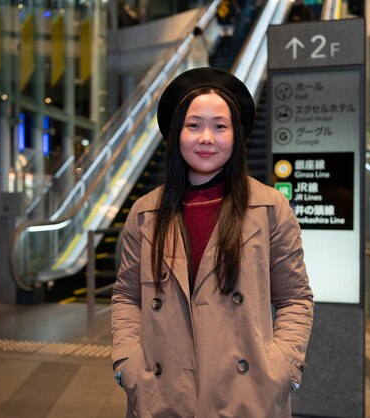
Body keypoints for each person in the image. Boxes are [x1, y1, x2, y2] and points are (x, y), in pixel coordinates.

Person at [111, 67, 314, 417]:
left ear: (235, 135)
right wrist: (126, 364)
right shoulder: (145, 214)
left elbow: (296, 297)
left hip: (249, 397)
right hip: (160, 397)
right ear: (177, 134)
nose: (206, 137)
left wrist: (283, 370)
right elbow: (127, 296)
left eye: (220, 126)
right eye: (194, 125)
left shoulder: (269, 208)